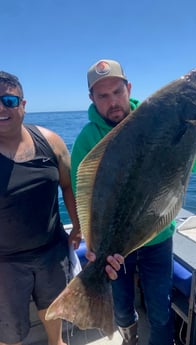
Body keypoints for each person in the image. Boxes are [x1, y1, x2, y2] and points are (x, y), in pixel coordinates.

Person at [71, 59, 196, 345]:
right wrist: (94, 245)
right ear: (92, 99)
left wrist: (194, 132)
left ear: (128, 87)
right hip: (115, 243)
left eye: (117, 92)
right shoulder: (87, 138)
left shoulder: (156, 118)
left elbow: (195, 165)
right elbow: (81, 189)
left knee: (160, 307)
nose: (113, 102)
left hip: (157, 235)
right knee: (121, 305)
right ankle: (129, 338)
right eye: (103, 96)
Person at [0, 71, 123, 345]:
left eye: (8, 99)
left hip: (52, 252)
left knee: (53, 314)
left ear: (23, 104)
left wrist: (78, 227)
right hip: (4, 264)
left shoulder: (50, 141)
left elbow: (69, 186)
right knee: (9, 334)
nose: (1, 108)